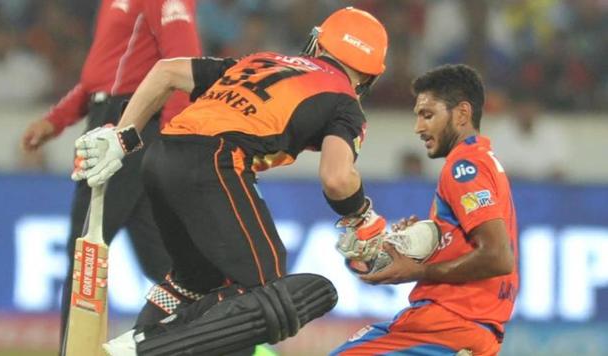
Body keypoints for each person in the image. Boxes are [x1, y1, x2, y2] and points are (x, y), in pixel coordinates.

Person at [72, 7, 390, 355]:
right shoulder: (345, 104)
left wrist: (122, 137)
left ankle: (141, 338)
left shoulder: (264, 60)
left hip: (161, 156)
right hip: (216, 162)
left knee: (192, 282)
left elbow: (166, 72)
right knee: (265, 291)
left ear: (318, 43)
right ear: (370, 76)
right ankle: (145, 345)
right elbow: (337, 178)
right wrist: (362, 216)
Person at [18, 0, 202, 352]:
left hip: (127, 128)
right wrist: (55, 120)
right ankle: (229, 333)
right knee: (162, 261)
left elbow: (185, 68)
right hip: (112, 118)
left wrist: (173, 139)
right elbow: (97, 80)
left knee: (84, 249)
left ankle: (72, 350)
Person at [332, 64, 518, 355]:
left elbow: (498, 256)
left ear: (461, 114)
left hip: (445, 324)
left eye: (427, 115)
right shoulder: (483, 161)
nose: (418, 127)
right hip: (478, 333)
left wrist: (418, 269)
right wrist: (422, 247)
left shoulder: (463, 168)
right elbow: (479, 247)